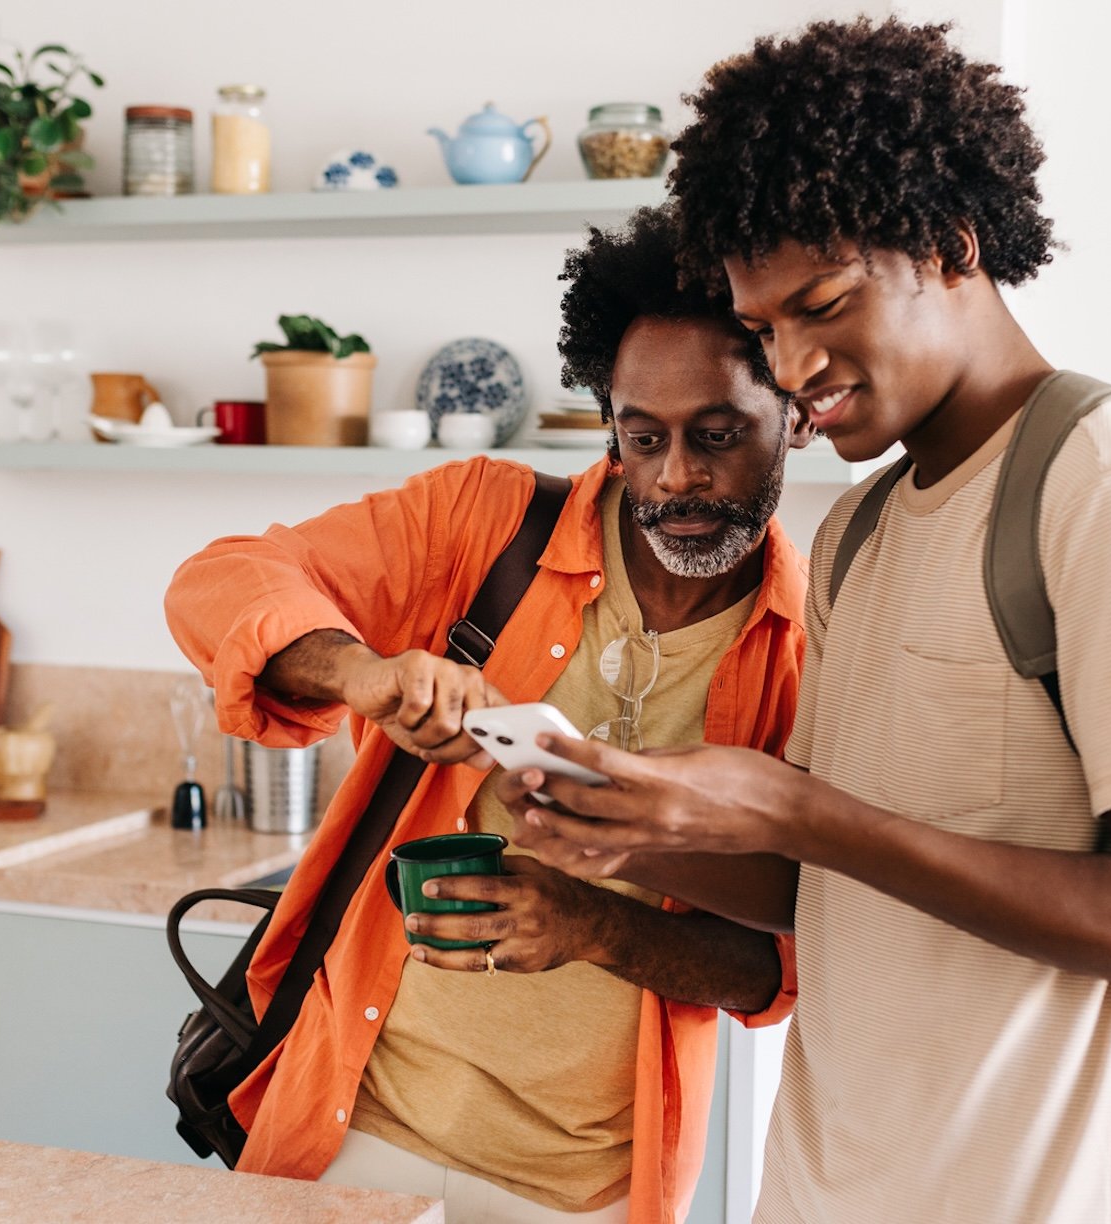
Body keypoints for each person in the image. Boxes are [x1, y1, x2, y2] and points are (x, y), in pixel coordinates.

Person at [497, 19, 1111, 1222]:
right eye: (764, 329)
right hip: (828, 1186)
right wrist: (622, 831)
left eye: (823, 304)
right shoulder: (860, 532)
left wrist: (796, 806)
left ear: (951, 245)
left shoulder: (1109, 486)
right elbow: (831, 881)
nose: (793, 365)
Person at [164, 204, 815, 1224]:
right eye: (640, 437)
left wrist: (591, 923)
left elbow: (775, 966)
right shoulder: (486, 523)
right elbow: (223, 579)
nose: (674, 475)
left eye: (717, 435)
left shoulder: (809, 649)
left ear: (799, 416)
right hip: (350, 1131)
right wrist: (363, 673)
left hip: (588, 1186)